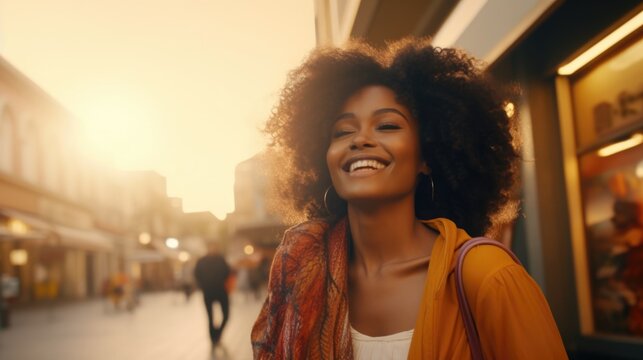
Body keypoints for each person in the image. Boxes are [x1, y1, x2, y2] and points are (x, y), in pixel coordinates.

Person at [251, 38, 567, 359]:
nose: (360, 139)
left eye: (387, 125)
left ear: (426, 157)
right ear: (324, 159)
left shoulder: (487, 276)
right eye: (343, 132)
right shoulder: (300, 274)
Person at [194, 242, 231, 345]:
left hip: (221, 290)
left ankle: (217, 332)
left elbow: (227, 271)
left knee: (226, 315)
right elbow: (196, 274)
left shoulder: (221, 259)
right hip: (208, 291)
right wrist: (203, 285)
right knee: (210, 317)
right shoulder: (202, 261)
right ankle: (213, 338)